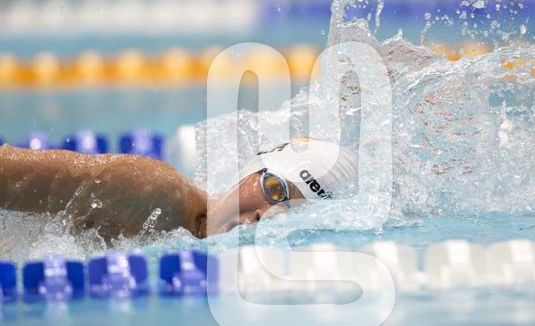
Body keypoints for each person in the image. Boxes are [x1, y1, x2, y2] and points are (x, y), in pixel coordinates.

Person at [0, 138, 357, 240]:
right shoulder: (153, 192)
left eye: (288, 210)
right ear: (250, 170)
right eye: (274, 188)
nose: (266, 214)